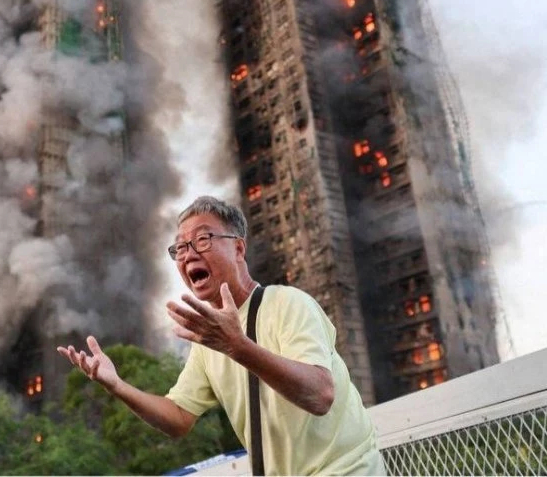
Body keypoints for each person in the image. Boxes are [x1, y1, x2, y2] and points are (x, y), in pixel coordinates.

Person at [57, 195, 386, 475]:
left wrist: (237, 346)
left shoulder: (288, 303)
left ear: (239, 249)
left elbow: (320, 395)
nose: (189, 254)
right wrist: (117, 385)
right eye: (181, 247)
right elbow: (178, 418)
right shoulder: (208, 342)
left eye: (202, 240)